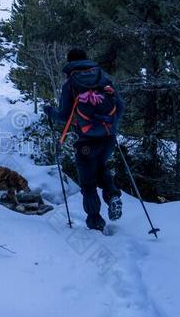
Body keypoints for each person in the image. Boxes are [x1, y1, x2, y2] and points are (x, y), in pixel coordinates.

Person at [44, 48, 124, 231]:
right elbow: (120, 106)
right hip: (108, 137)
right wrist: (109, 125)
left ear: (70, 63)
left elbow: (64, 116)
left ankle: (95, 222)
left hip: (86, 141)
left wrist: (49, 110)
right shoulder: (103, 78)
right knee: (101, 167)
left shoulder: (71, 84)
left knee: (88, 182)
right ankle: (112, 196)